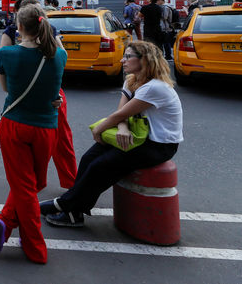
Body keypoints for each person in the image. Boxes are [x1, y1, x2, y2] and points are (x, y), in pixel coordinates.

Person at [41, 41, 183, 228]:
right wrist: (122, 128)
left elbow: (120, 114)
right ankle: (73, 210)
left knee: (101, 166)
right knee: (88, 158)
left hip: (158, 145)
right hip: (135, 134)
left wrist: (99, 130)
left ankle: (65, 205)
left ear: (145, 60)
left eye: (128, 56)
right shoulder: (132, 79)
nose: (123, 60)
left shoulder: (155, 87)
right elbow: (122, 112)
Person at [0, 4, 67, 264]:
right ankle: (9, 224)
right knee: (35, 183)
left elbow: (7, 89)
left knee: (25, 187)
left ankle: (29, 241)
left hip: (16, 124)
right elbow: (54, 89)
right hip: (46, 127)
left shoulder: (6, 54)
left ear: (19, 27)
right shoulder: (60, 55)